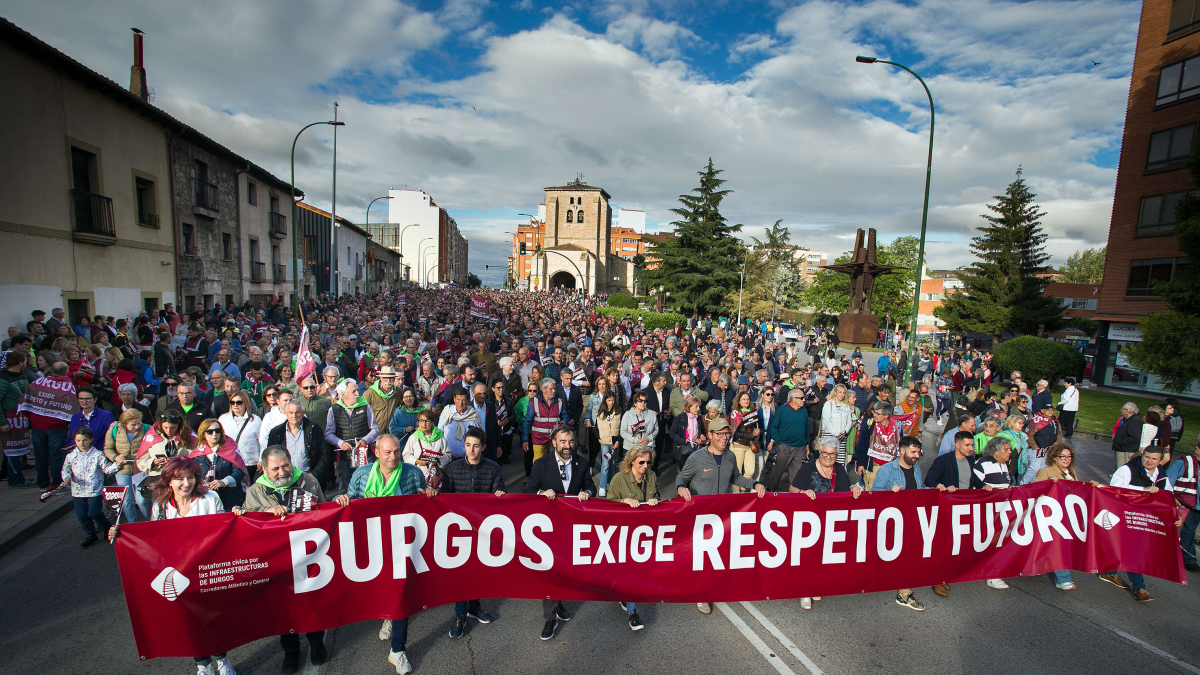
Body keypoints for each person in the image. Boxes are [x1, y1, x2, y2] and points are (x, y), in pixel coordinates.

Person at [110, 456, 233, 675]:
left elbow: (225, 529)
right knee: (189, 621)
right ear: (168, 481)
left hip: (207, 569)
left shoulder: (210, 498)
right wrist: (121, 534)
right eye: (179, 479)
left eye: (190, 478)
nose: (186, 483)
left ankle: (222, 661)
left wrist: (237, 516)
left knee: (213, 618)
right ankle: (203, 665)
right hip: (178, 572)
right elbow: (152, 538)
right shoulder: (161, 506)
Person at [233, 445, 344, 673]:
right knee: (284, 608)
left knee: (311, 601)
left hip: (308, 554)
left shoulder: (309, 482)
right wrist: (253, 514)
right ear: (263, 468)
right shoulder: (254, 491)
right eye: (275, 468)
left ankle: (316, 642)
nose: (282, 471)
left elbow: (322, 512)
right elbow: (249, 528)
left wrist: (339, 503)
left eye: (286, 465)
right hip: (277, 562)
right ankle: (290, 649)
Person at [346, 434, 431, 674]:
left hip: (402, 545)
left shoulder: (412, 473)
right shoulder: (361, 475)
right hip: (372, 545)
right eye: (387, 453)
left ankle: (398, 650)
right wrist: (342, 499)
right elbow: (351, 502)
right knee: (380, 591)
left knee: (401, 593)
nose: (393, 457)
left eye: (396, 452)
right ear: (376, 453)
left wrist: (430, 496)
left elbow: (422, 505)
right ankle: (388, 617)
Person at [676, 417, 766, 614]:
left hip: (723, 514)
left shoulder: (730, 457)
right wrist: (681, 487)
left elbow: (736, 478)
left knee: (721, 553)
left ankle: (717, 586)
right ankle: (701, 595)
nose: (724, 438)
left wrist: (754, 484)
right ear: (710, 436)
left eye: (727, 433)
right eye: (720, 434)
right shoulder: (697, 457)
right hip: (701, 515)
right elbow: (682, 476)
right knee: (703, 555)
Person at [524, 425, 594, 640]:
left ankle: (559, 602)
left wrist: (587, 492)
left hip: (572, 527)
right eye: (563, 442)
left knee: (565, 569)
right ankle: (550, 618)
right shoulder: (541, 464)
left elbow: (590, 485)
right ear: (553, 442)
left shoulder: (581, 462)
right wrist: (541, 493)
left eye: (571, 441)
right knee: (550, 572)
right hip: (549, 529)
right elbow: (528, 491)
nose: (567, 446)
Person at [437, 427, 502, 638]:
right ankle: (460, 615)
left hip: (482, 530)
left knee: (477, 572)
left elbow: (499, 494)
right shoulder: (453, 469)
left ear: (483, 447)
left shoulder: (493, 468)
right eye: (467, 445)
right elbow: (444, 499)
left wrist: (501, 494)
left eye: (475, 446)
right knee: (461, 574)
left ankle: (474, 606)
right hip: (459, 531)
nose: (471, 450)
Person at [1099, 445, 1182, 602]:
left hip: (1145, 519)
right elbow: (1114, 488)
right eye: (1147, 457)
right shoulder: (1127, 470)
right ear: (1143, 455)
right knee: (1133, 551)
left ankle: (1108, 572)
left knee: (1129, 548)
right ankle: (1139, 588)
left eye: (1154, 459)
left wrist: (1174, 517)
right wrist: (1143, 489)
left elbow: (1167, 498)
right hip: (1125, 515)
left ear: (1160, 461)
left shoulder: (1161, 475)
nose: (1149, 461)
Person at [789, 438, 863, 609]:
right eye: (825, 453)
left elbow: (845, 490)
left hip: (830, 521)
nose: (828, 457)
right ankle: (804, 591)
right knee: (808, 557)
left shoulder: (839, 469)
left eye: (832, 454)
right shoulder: (808, 468)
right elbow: (792, 488)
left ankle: (815, 586)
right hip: (810, 521)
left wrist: (853, 489)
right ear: (819, 453)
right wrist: (803, 491)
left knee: (822, 557)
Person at [869, 435, 929, 610]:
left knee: (908, 558)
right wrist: (890, 493)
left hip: (910, 520)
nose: (916, 456)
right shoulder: (887, 471)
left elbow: (918, 491)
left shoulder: (916, 470)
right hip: (891, 522)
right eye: (913, 452)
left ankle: (904, 593)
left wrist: (935, 491)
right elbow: (875, 494)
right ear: (902, 451)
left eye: (918, 452)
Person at [606, 443, 659, 630]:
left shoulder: (652, 477)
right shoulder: (618, 479)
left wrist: (655, 501)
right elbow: (607, 504)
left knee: (637, 571)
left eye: (648, 463)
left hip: (645, 533)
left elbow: (657, 497)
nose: (645, 466)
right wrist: (623, 501)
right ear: (631, 462)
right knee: (629, 572)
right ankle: (633, 612)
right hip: (623, 533)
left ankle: (624, 595)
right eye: (641, 462)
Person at [1033, 443, 1100, 589]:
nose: (1066, 459)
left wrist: (1090, 486)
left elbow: (1077, 491)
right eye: (1062, 456)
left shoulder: (1071, 472)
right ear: (1054, 458)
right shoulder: (1045, 471)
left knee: (1048, 545)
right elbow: (1035, 489)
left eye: (1069, 456)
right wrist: (1050, 483)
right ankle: (1063, 580)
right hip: (1052, 516)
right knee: (1058, 545)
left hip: (1067, 515)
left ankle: (1036, 564)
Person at [62, 427, 123, 547]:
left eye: (84, 440)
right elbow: (66, 469)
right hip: (78, 491)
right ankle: (91, 534)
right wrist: (66, 477)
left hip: (94, 490)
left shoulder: (97, 455)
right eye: (78, 440)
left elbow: (106, 469)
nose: (81, 443)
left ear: (91, 439)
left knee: (94, 512)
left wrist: (118, 464)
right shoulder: (71, 456)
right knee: (82, 515)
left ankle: (107, 527)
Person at [27, 361, 74, 489]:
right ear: (66, 372)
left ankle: (43, 483)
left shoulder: (36, 383)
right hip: (57, 426)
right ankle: (57, 485)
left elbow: (27, 402)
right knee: (56, 456)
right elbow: (71, 406)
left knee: (40, 456)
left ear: (51, 371)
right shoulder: (67, 385)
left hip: (37, 426)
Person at [325, 379, 380, 489]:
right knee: (349, 486)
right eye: (353, 391)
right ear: (343, 394)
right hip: (346, 456)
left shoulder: (366, 406)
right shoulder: (334, 409)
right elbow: (328, 434)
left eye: (357, 390)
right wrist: (340, 443)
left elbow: (375, 429)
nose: (357, 394)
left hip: (364, 454)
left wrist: (365, 440)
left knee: (367, 483)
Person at [267, 400, 330, 486]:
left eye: (297, 412)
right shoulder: (276, 433)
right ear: (286, 413)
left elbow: (324, 453)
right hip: (285, 478)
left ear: (303, 413)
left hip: (308, 477)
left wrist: (314, 474)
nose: (294, 416)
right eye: (291, 412)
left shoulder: (314, 429)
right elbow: (270, 457)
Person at [190, 419, 247, 510]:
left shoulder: (230, 448)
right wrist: (200, 483)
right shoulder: (197, 453)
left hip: (230, 498)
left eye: (217, 431)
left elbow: (239, 472)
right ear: (203, 434)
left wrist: (223, 482)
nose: (214, 434)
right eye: (210, 432)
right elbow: (191, 474)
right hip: (207, 498)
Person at [102, 409, 147, 524]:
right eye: (133, 424)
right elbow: (108, 448)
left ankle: (149, 522)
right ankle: (133, 525)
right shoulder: (115, 429)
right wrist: (115, 457)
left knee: (142, 500)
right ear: (124, 423)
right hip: (122, 469)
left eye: (139, 423)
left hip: (140, 469)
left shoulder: (147, 428)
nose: (137, 426)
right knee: (127, 502)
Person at [764, 388, 810, 491]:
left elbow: (806, 427)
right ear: (793, 399)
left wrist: (807, 444)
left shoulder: (804, 410)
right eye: (801, 398)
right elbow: (774, 427)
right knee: (778, 471)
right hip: (785, 446)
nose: (804, 400)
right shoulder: (782, 410)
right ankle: (770, 490)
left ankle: (794, 494)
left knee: (797, 474)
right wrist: (779, 443)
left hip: (800, 447)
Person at [1167, 435, 1200, 572]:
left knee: (1189, 531)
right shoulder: (1185, 462)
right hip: (1184, 503)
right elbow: (1168, 480)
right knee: (1185, 531)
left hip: (1197, 505)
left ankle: (1187, 557)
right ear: (1197, 449)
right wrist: (1171, 496)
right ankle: (1188, 559)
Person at [851, 401, 900, 491]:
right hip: (873, 467)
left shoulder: (896, 426)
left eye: (877, 413)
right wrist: (860, 464)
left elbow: (899, 446)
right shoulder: (868, 423)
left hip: (890, 467)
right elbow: (861, 444)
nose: (874, 415)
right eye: (874, 412)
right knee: (871, 494)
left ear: (886, 415)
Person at [521, 377, 569, 467]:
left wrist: (563, 422)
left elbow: (565, 417)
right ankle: (538, 480)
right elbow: (527, 422)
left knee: (554, 464)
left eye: (554, 388)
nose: (554, 391)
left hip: (554, 439)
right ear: (543, 389)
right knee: (538, 464)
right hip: (538, 439)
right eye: (551, 389)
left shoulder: (560, 402)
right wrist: (525, 440)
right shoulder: (533, 402)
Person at [219, 390, 262, 476]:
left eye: (239, 402)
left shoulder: (255, 420)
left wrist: (261, 459)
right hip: (229, 460)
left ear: (245, 403)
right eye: (232, 402)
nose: (235, 405)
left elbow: (262, 442)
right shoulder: (223, 419)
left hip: (249, 462)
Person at [402, 409, 451, 479]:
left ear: (432, 422)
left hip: (436, 476)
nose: (424, 424)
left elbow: (448, 455)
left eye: (427, 421)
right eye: (421, 421)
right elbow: (406, 455)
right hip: (418, 475)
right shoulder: (413, 438)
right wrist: (417, 461)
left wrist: (438, 461)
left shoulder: (440, 437)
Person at [592, 389, 624, 496]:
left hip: (615, 442)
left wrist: (618, 441)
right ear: (605, 400)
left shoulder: (619, 411)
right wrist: (600, 438)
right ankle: (602, 486)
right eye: (609, 400)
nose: (612, 402)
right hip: (604, 442)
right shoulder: (600, 412)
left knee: (612, 463)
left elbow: (621, 428)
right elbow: (597, 428)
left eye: (613, 400)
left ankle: (609, 483)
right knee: (605, 464)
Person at [729, 390, 760, 490]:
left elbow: (753, 429)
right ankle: (736, 494)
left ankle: (743, 490)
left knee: (750, 471)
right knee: (737, 472)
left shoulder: (753, 413)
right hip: (738, 445)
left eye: (748, 399)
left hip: (750, 445)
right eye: (743, 399)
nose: (746, 401)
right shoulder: (735, 413)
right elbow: (735, 432)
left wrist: (756, 432)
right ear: (739, 401)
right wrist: (751, 434)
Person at [1111, 402, 1143, 470]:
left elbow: (1135, 437)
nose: (1121, 411)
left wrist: (1121, 442)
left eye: (1122, 409)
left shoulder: (1134, 420)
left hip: (1126, 450)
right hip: (1123, 449)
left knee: (1122, 469)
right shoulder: (1129, 419)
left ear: (1128, 411)